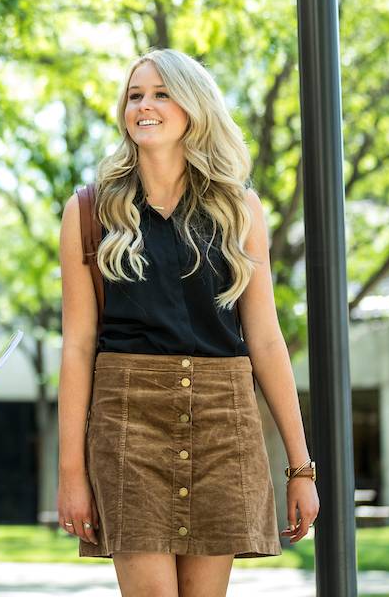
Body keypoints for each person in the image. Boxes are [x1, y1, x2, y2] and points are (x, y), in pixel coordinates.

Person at [57, 49, 320, 596]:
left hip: (224, 419)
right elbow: (79, 347)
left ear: (194, 108)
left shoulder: (239, 209)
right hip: (127, 419)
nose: (144, 106)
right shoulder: (89, 210)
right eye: (135, 95)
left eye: (161, 93)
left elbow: (266, 340)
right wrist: (71, 473)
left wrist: (301, 468)